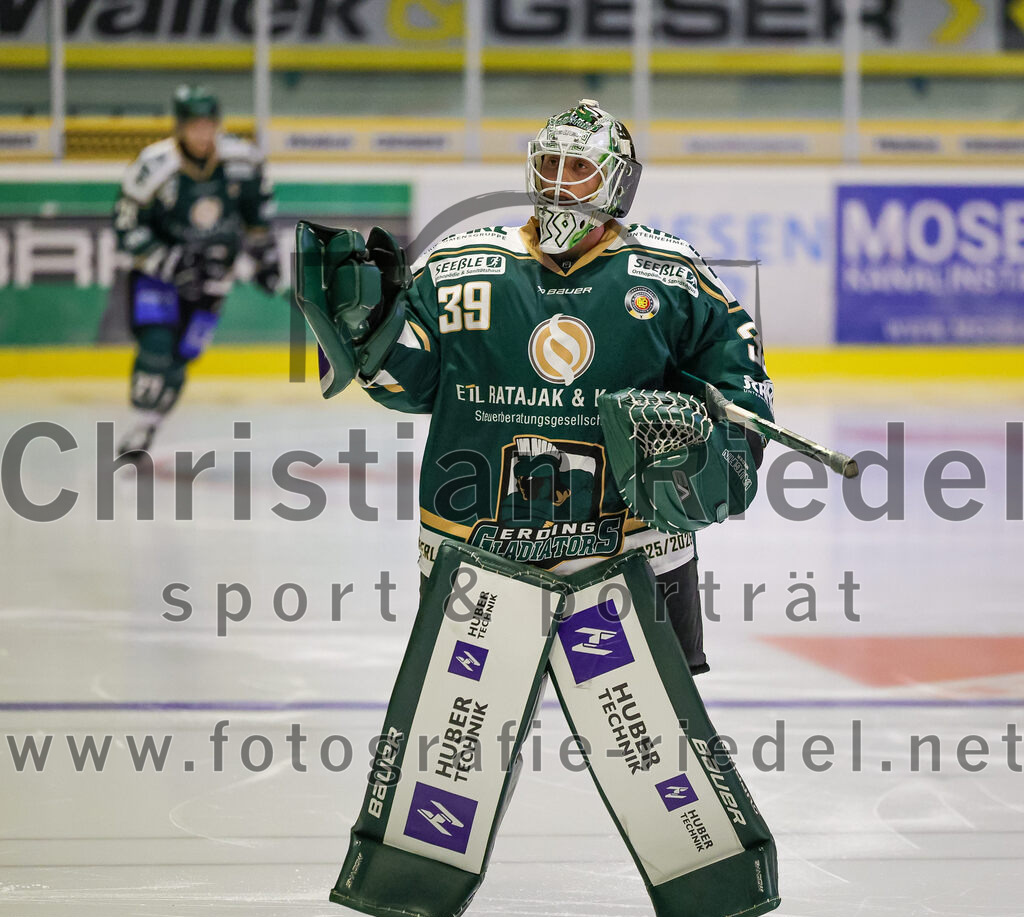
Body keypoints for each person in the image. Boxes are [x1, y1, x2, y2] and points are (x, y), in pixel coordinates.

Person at [307, 98, 774, 675]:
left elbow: (738, 374)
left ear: (617, 184)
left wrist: (730, 447)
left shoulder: (671, 274)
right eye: (549, 163)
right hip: (478, 544)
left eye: (579, 168)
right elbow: (416, 387)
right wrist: (372, 339)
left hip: (631, 548)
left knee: (649, 749)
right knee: (463, 747)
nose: (558, 182)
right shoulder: (460, 264)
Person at [113, 84, 280, 456]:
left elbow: (259, 218)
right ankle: (142, 417)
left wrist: (266, 261)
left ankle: (146, 430)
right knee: (156, 349)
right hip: (159, 275)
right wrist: (173, 262)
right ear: (180, 126)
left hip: (214, 277)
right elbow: (127, 227)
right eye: (194, 125)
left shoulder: (245, 161)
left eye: (209, 125)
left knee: (183, 356)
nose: (203, 134)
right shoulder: (152, 167)